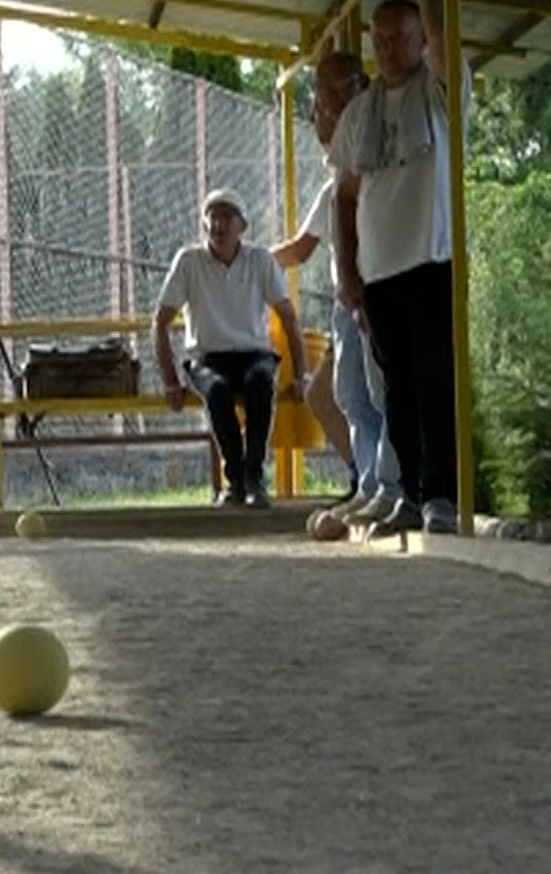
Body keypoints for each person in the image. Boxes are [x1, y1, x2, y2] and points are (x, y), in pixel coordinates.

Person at [327, 0, 466, 534]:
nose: (385, 49)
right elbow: (344, 194)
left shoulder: (438, 93)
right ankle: (408, 491)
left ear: (421, 40)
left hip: (431, 260)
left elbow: (447, 48)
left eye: (398, 38)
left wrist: (431, 12)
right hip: (380, 271)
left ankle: (442, 495)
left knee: (436, 382)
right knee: (396, 390)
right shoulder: (360, 113)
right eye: (378, 39)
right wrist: (347, 270)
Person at [272, 47, 404, 525]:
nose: (318, 109)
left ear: (359, 91)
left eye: (331, 93)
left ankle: (391, 487)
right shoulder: (335, 185)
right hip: (344, 300)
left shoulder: (368, 165)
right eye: (317, 95)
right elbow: (306, 246)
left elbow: (301, 249)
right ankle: (370, 482)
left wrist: (256, 259)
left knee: (376, 390)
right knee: (350, 392)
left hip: (374, 289)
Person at [153, 187, 309, 508]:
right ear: (204, 224)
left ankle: (254, 477)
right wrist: (170, 381)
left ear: (243, 226)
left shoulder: (260, 260)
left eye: (227, 216)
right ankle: (235, 479)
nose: (219, 224)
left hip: (253, 353)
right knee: (218, 391)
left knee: (260, 382)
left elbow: (289, 318)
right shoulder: (189, 261)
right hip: (206, 357)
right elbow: (160, 322)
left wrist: (301, 375)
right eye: (213, 216)